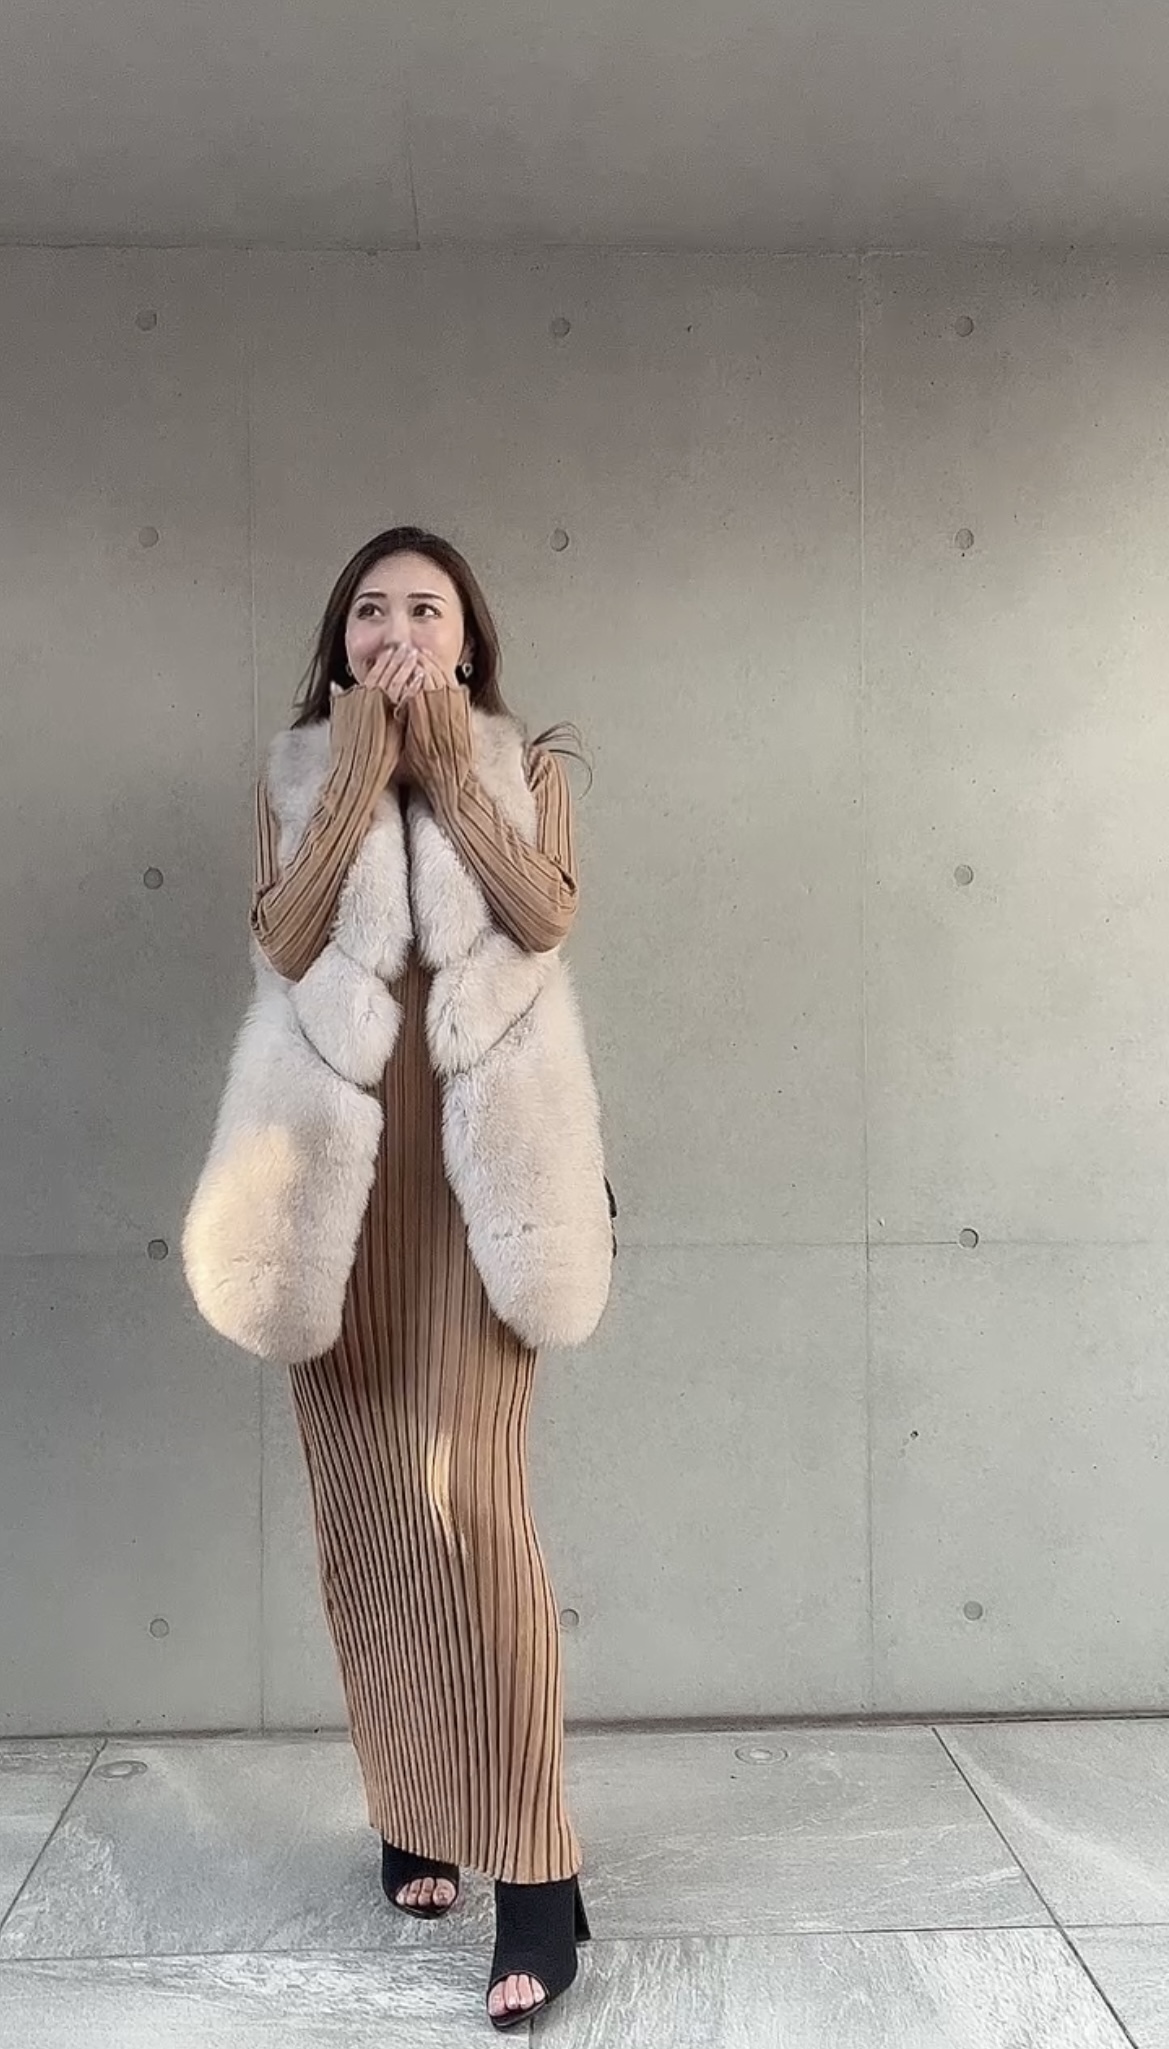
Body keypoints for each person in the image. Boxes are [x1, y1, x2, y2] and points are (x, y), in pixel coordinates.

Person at [183, 526, 613, 2031]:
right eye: (371, 610)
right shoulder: (299, 775)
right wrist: (363, 769)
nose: (397, 629)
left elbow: (543, 913)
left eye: (426, 608)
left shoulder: (526, 765)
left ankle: (540, 1872)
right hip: (336, 1199)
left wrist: (442, 766)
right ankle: (416, 1802)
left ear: (468, 639)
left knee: (475, 1514)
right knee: (370, 1517)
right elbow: (286, 933)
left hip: (481, 1194)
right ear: (341, 642)